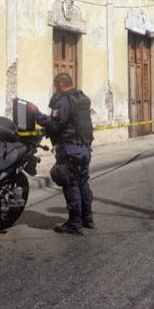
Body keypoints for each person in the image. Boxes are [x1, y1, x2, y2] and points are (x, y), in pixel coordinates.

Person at [27, 73, 94, 235]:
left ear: (62, 84)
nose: (56, 89)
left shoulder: (65, 101)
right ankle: (88, 218)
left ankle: (75, 223)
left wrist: (36, 113)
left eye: (57, 86)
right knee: (82, 182)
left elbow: (55, 124)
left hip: (70, 150)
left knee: (70, 182)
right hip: (84, 148)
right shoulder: (81, 98)